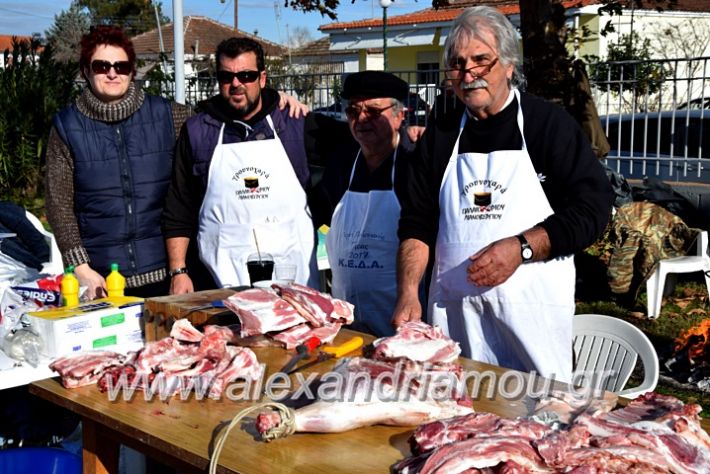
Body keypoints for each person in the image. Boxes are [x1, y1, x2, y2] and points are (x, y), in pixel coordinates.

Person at [392, 6, 614, 381]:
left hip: (531, 326)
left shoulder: (548, 125)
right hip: (455, 329)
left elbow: (593, 209)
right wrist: (409, 291)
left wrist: (522, 247)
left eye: (481, 60)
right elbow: (417, 222)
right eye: (458, 64)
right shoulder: (442, 135)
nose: (469, 74)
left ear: (509, 65)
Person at [162, 37, 318, 292]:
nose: (236, 84)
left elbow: (360, 142)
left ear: (262, 78)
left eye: (246, 75)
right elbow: (179, 206)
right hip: (221, 289)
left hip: (295, 288)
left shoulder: (295, 123)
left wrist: (406, 133)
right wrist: (178, 270)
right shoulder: (198, 131)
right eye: (227, 77)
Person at [45, 25, 190, 299]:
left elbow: (221, 119)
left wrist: (274, 99)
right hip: (100, 282)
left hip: (166, 277)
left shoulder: (168, 116)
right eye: (102, 66)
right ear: (86, 71)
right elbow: (58, 203)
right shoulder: (66, 127)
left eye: (121, 67)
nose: (112, 73)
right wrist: (80, 266)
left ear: (132, 71)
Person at [316, 71, 418, 337]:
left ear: (399, 115)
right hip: (345, 328)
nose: (361, 120)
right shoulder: (340, 165)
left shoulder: (415, 164)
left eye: (373, 111)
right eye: (353, 111)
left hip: (400, 328)